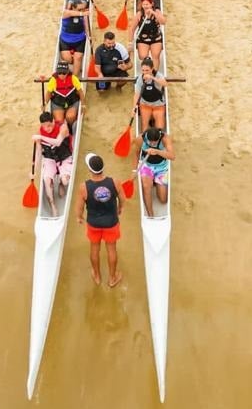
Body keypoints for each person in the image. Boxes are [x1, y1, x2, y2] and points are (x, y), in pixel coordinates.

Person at [76, 153, 124, 287]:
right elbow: (122, 200)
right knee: (111, 249)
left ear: (90, 170)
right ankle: (112, 278)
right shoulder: (115, 182)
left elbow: (79, 208)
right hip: (111, 222)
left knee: (94, 249)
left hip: (93, 224)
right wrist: (120, 208)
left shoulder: (83, 187)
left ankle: (97, 276)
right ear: (103, 167)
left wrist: (79, 217)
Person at [32, 112, 73, 216]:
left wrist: (41, 137)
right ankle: (53, 205)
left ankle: (60, 183)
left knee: (65, 181)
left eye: (49, 125)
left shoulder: (63, 127)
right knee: (46, 180)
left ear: (53, 121)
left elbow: (58, 142)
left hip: (64, 157)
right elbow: (38, 153)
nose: (47, 129)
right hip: (50, 159)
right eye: (44, 127)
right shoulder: (40, 132)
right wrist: (34, 171)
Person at [134, 126, 174, 218]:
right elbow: (136, 154)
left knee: (163, 200)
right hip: (147, 166)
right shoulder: (140, 139)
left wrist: (157, 151)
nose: (152, 143)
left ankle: (155, 182)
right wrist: (134, 170)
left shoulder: (165, 138)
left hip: (161, 168)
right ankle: (150, 215)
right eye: (150, 142)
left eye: (154, 142)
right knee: (146, 186)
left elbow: (172, 156)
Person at [130, 0, 165, 69]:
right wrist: (130, 42)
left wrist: (154, 13)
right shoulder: (139, 14)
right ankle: (146, 69)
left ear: (151, 4)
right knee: (143, 56)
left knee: (155, 55)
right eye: (144, 4)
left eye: (147, 4)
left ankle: (154, 73)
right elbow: (132, 29)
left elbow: (163, 22)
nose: (145, 6)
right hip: (143, 38)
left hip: (156, 37)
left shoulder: (157, 11)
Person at [46, 61, 85, 125]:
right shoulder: (53, 80)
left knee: (70, 117)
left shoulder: (73, 78)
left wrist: (83, 105)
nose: (61, 75)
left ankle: (70, 128)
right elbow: (48, 93)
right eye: (59, 73)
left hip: (72, 101)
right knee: (59, 120)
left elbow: (80, 92)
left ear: (67, 72)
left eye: (64, 73)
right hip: (58, 103)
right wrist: (45, 103)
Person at [133, 57, 167, 131]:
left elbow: (165, 84)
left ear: (152, 69)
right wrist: (134, 107)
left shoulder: (158, 75)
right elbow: (137, 94)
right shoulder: (140, 78)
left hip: (158, 105)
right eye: (143, 70)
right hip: (145, 104)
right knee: (144, 127)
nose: (145, 72)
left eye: (147, 70)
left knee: (159, 128)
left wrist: (152, 78)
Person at [59, 0, 90, 76]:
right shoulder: (66, 13)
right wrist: (83, 13)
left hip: (80, 40)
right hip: (65, 40)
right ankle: (74, 62)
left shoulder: (84, 16)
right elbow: (68, 12)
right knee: (67, 59)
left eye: (84, 8)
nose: (82, 10)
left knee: (78, 58)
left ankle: (75, 79)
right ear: (73, 8)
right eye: (80, 9)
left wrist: (89, 36)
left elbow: (86, 27)